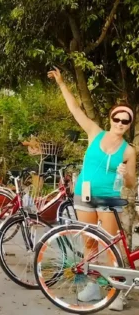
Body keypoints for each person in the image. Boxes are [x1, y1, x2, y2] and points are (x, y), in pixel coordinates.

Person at [49, 67, 136, 311]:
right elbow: (75, 110)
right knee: (89, 243)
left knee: (111, 245)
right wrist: (62, 84)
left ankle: (117, 290)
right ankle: (93, 285)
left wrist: (124, 173)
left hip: (109, 197)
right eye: (117, 119)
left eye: (125, 121)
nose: (120, 123)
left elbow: (131, 183)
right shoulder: (95, 133)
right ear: (111, 119)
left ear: (129, 125)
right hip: (84, 194)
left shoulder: (129, 151)